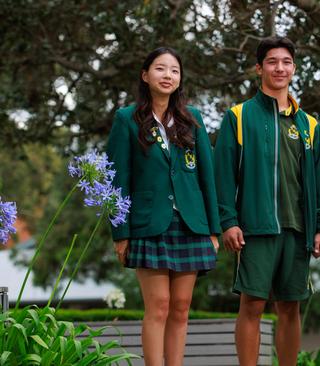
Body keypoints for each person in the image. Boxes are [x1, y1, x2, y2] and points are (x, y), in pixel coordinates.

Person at [213, 36, 320, 366]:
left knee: (290, 306)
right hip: (255, 227)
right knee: (252, 304)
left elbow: (319, 182)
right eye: (272, 62)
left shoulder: (308, 125)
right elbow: (223, 177)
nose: (279, 68)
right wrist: (228, 221)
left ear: (294, 69)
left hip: (297, 228)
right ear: (258, 68)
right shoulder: (238, 117)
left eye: (286, 62)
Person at [107, 47, 220, 366]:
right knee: (158, 305)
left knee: (182, 306)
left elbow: (207, 178)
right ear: (145, 75)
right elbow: (117, 179)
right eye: (160, 68)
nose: (167, 75)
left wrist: (214, 229)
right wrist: (120, 232)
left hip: (191, 224)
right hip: (148, 224)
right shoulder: (126, 118)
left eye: (174, 70)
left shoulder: (192, 118)